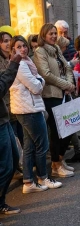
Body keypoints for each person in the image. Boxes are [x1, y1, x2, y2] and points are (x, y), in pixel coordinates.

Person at [10, 35, 62, 193]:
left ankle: (28, 183)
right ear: (14, 49)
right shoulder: (21, 65)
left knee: (30, 146)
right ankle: (43, 177)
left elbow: (37, 82)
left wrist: (38, 79)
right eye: (19, 47)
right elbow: (37, 87)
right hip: (29, 109)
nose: (23, 49)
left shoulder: (26, 63)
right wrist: (39, 79)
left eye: (24, 46)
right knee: (42, 144)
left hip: (27, 108)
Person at [33, 23, 75, 178]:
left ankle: (60, 160)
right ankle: (55, 165)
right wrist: (66, 84)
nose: (53, 36)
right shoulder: (40, 51)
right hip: (51, 95)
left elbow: (68, 67)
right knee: (57, 132)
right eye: (50, 33)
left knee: (70, 128)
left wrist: (69, 85)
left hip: (65, 93)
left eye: (55, 33)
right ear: (43, 35)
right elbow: (46, 74)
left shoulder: (57, 49)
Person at [56, 35, 80, 163]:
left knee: (68, 123)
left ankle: (68, 155)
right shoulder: (56, 57)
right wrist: (70, 64)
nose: (66, 49)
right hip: (61, 92)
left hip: (65, 92)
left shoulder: (60, 56)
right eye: (64, 47)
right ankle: (75, 152)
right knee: (68, 124)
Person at [0, 53, 22, 216]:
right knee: (5, 166)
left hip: (3, 118)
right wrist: (13, 65)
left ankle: (1, 203)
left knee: (13, 161)